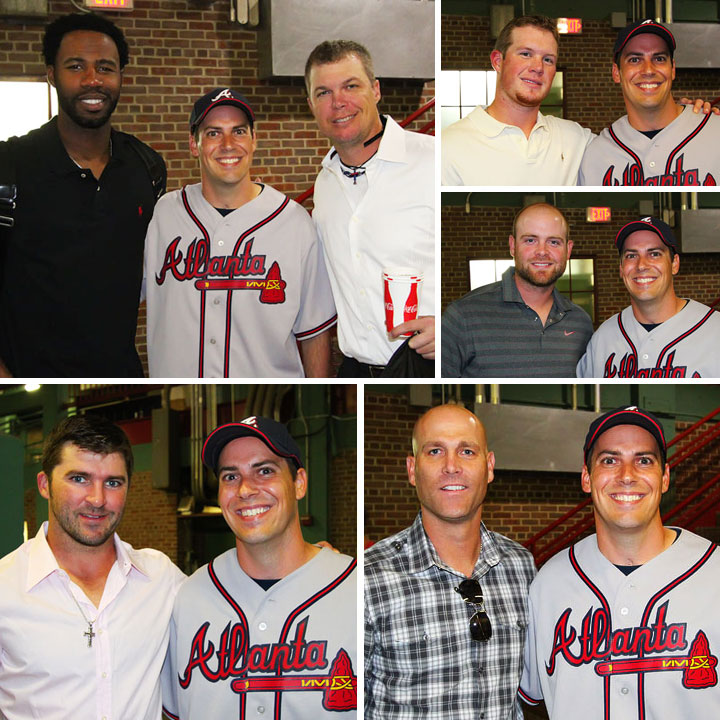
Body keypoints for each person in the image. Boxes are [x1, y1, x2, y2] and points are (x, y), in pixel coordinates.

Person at [519, 405, 720, 719]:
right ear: (587, 478)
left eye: (643, 460)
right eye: (610, 460)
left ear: (665, 478)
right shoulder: (548, 584)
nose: (627, 476)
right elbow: (529, 701)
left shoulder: (715, 573)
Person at [0, 13, 166, 377]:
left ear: (121, 76)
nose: (93, 80)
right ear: (51, 75)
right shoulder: (9, 166)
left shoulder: (147, 168)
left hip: (122, 373)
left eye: (105, 67)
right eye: (76, 66)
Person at [162, 415, 357, 719]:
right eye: (230, 476)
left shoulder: (361, 591)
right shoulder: (187, 600)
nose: (244, 490)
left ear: (299, 483)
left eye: (264, 471)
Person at [0, 415, 184, 720]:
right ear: (45, 484)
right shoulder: (6, 587)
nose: (97, 499)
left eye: (112, 483)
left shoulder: (160, 578)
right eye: (79, 478)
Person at [144, 88, 337, 378]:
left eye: (239, 131)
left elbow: (313, 332)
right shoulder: (163, 215)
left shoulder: (295, 223)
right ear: (194, 145)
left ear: (254, 140)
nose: (228, 144)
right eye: (213, 133)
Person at [365, 404, 536, 719]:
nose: (451, 466)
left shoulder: (522, 567)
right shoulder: (369, 579)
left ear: (490, 465)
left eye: (467, 451)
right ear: (412, 469)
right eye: (434, 452)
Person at [305, 40, 435, 377]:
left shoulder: (436, 160)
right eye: (323, 93)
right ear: (311, 104)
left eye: (351, 86)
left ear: (375, 90)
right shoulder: (326, 183)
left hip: (428, 366)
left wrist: (453, 321)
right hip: (355, 370)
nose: (338, 103)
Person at [442, 203, 593, 377]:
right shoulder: (462, 316)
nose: (542, 251)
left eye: (553, 242)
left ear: (568, 249)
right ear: (513, 246)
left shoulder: (581, 322)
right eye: (530, 240)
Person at [441, 15, 593, 186]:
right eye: (526, 54)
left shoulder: (577, 139)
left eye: (548, 59)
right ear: (498, 62)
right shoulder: (448, 146)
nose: (538, 67)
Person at [579, 19, 720, 185]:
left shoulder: (715, 130)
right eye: (635, 59)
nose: (648, 70)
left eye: (659, 59)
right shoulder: (596, 154)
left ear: (672, 69)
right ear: (616, 73)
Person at [577, 216, 720, 377]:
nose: (642, 265)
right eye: (631, 255)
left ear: (674, 264)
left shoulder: (715, 331)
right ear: (621, 269)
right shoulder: (602, 339)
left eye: (654, 254)